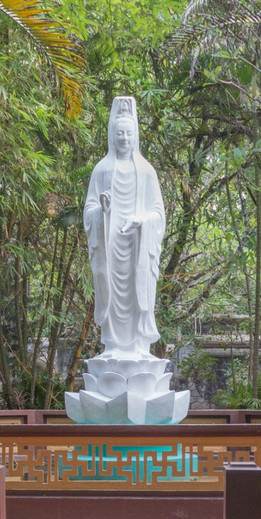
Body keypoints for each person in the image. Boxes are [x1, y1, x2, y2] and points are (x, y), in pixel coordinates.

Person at [83, 96, 166, 357]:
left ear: (135, 135)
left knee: (136, 291)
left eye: (129, 132)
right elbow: (89, 210)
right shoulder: (101, 170)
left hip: (138, 244)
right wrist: (103, 210)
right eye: (119, 132)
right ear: (112, 134)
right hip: (111, 244)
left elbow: (158, 212)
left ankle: (140, 346)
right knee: (112, 290)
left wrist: (142, 222)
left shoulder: (146, 171)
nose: (124, 138)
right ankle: (113, 345)